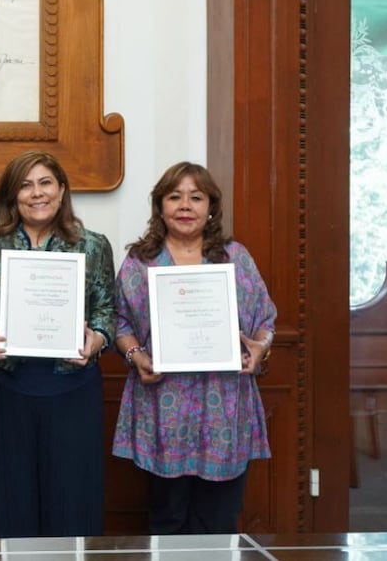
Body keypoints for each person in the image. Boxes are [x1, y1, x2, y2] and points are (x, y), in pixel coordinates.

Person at [112, 161, 276, 534]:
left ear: (211, 207)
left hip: (224, 407)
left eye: (196, 197)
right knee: (167, 518)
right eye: (175, 197)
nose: (185, 206)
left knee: (217, 521)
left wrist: (260, 347)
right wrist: (137, 357)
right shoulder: (140, 262)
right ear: (160, 206)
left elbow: (266, 321)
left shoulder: (235, 257)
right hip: (163, 408)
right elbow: (120, 323)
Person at [0, 150, 115, 538]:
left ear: (62, 190)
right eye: (25, 186)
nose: (36, 193)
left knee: (71, 493)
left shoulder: (92, 246)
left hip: (72, 384)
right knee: (12, 494)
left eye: (45, 183)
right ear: (13, 196)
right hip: (10, 383)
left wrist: (95, 339)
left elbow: (107, 311)